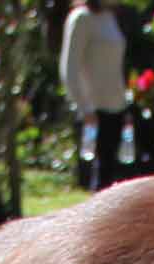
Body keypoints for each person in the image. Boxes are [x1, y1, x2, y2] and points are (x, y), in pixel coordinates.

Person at [60, 1, 130, 193]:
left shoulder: (110, 18)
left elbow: (115, 69)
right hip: (94, 110)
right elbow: (69, 69)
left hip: (116, 106)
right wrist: (84, 108)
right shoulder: (81, 18)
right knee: (97, 178)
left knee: (112, 179)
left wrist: (125, 106)